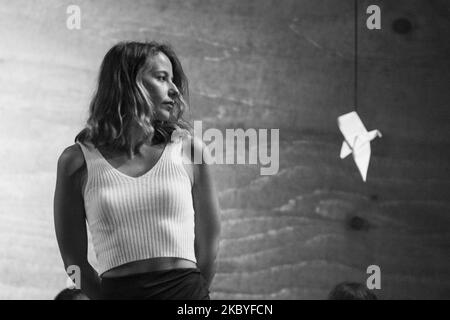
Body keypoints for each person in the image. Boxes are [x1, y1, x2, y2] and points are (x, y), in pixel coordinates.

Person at [53, 41, 221, 300]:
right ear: (128, 84)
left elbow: (209, 248)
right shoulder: (76, 161)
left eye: (173, 80)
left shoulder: (190, 150)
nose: (175, 90)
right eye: (162, 78)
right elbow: (73, 262)